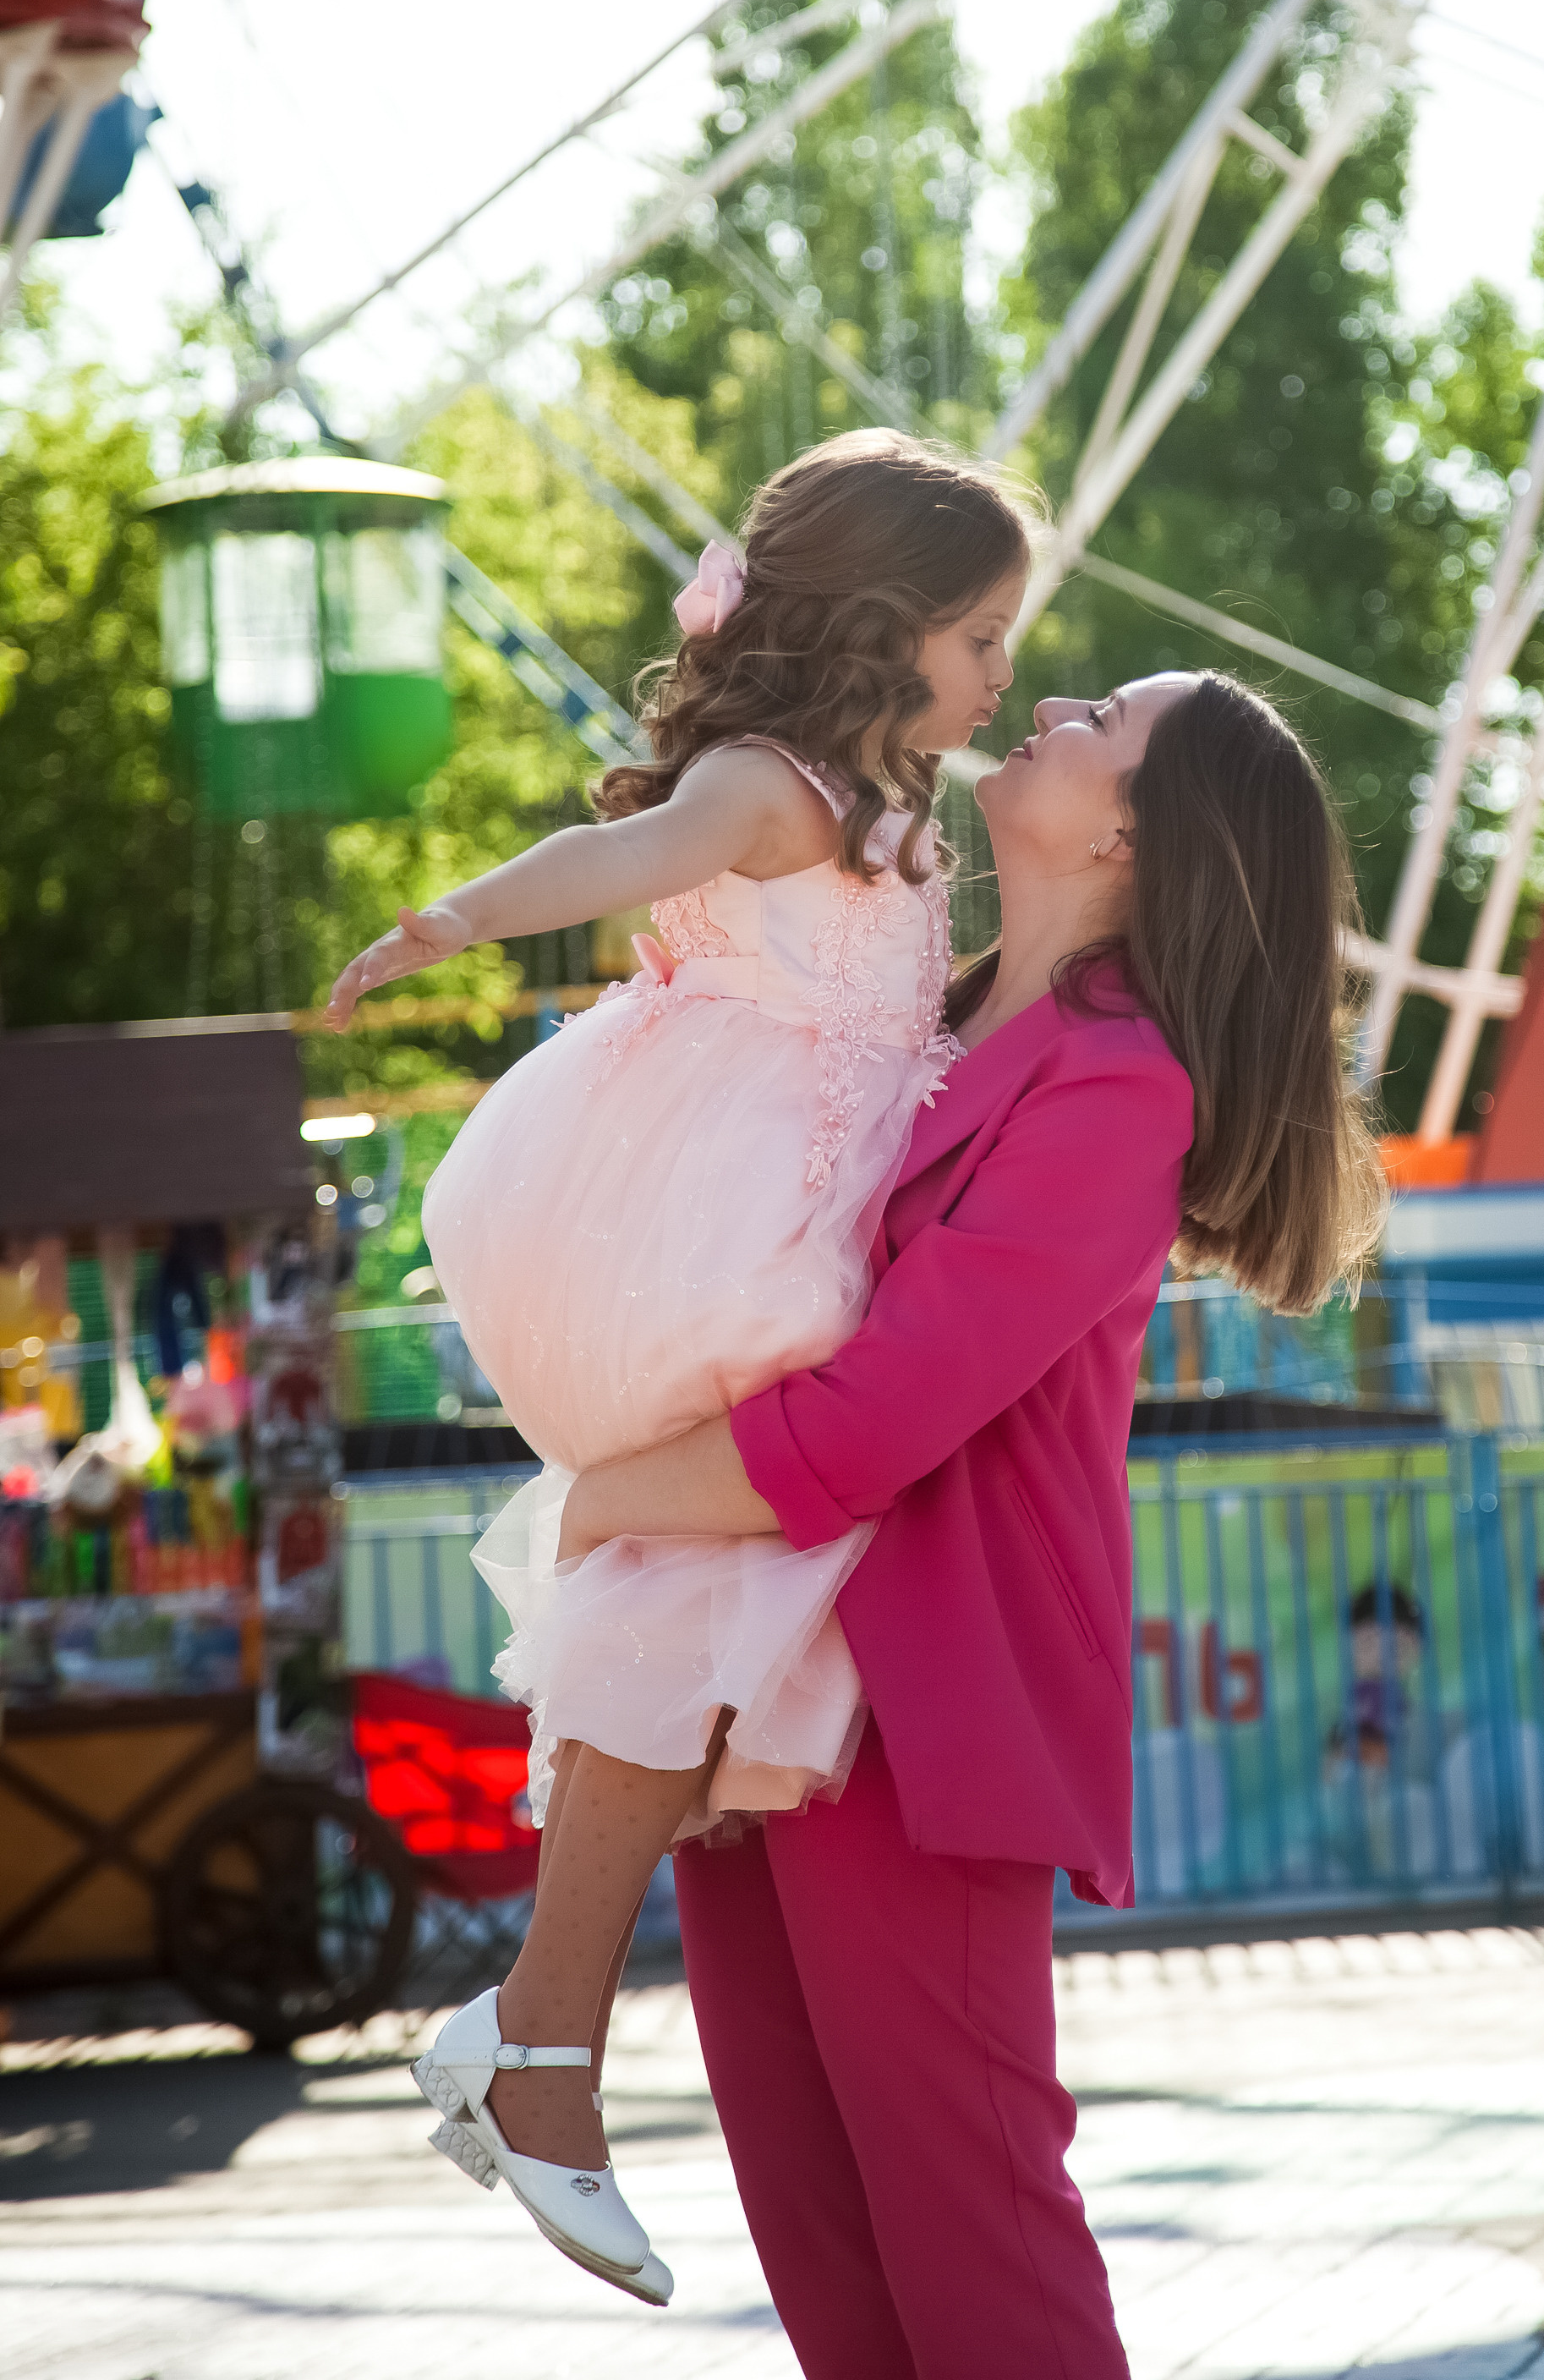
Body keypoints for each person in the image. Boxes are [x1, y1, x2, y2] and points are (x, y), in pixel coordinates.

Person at [551, 666, 1389, 2374]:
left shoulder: (1120, 1089)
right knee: (823, 2243)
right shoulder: (904, 996)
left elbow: (883, 1419)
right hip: (747, 1664)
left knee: (977, 2242)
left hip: (914, 1709)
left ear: (1142, 828)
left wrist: (607, 1495)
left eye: (1107, 719)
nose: (1056, 699)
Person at [322, 429, 1032, 2303]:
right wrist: (459, 919)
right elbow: (619, 852)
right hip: (712, 1211)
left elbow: (903, 1006)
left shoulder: (896, 806)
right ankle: (539, 2050)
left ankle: (537, 2046)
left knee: (724, 1575)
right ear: (880, 631)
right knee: (726, 1552)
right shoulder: (775, 783)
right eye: (981, 639)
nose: (1004, 677)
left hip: (799, 1201)